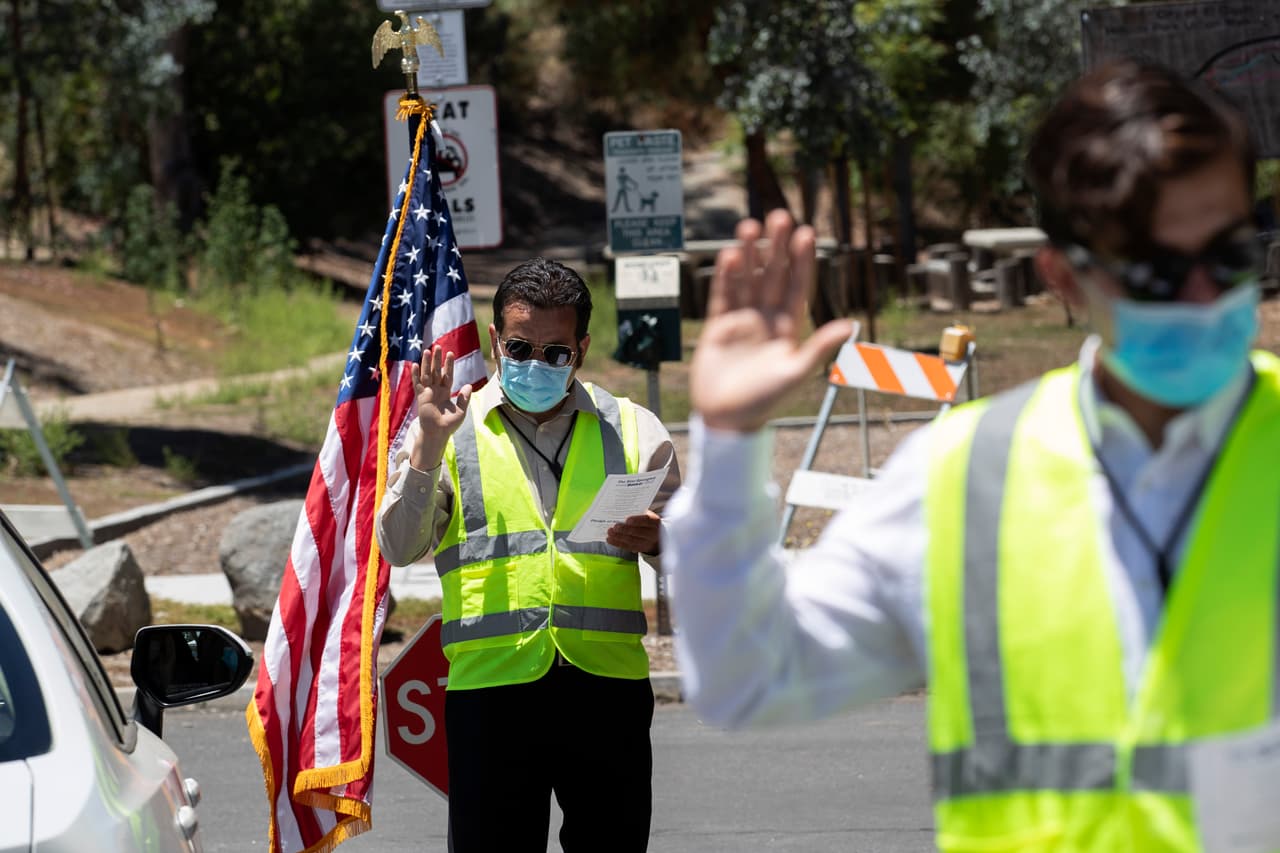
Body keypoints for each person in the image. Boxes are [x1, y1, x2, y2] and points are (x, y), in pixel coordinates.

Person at [663, 60, 1275, 850]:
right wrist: (733, 442)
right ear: (1064, 279)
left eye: (1228, 256)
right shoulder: (966, 474)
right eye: (1157, 271)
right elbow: (748, 679)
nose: (1203, 296)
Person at [376, 256, 680, 853]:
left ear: (582, 350)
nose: (534, 365)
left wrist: (666, 541)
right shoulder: (444, 427)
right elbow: (399, 546)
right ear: (494, 340)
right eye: (519, 348)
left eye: (554, 353)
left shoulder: (635, 429)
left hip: (606, 695)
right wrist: (428, 447)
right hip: (491, 697)